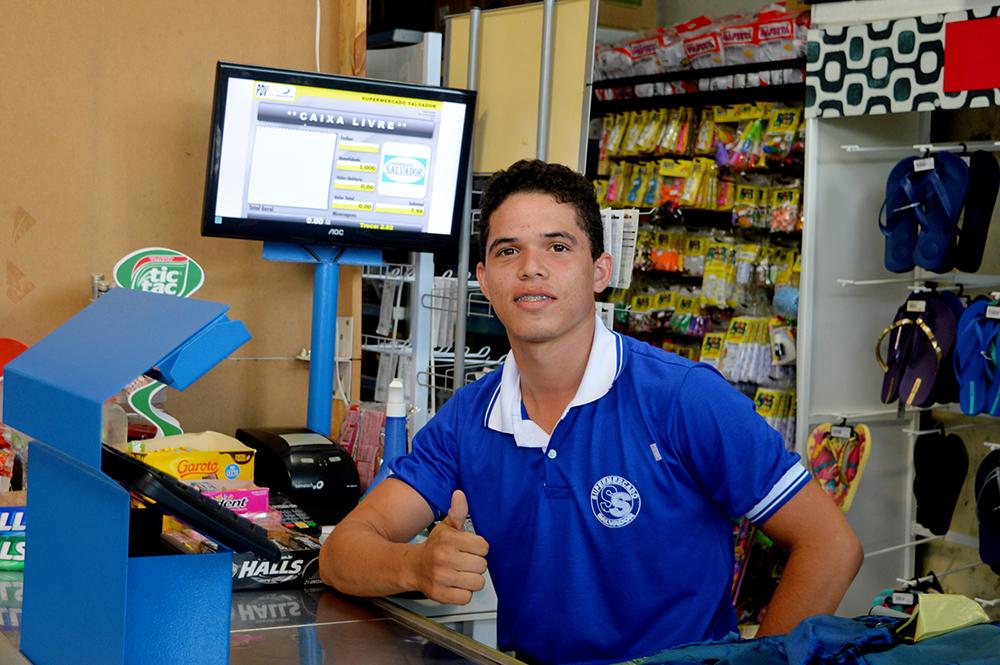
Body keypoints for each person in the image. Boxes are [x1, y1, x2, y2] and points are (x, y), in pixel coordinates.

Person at [320, 159, 863, 665]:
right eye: (508, 251)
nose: (531, 268)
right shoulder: (470, 418)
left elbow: (830, 545)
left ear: (600, 270)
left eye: (558, 247)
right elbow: (343, 552)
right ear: (484, 280)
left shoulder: (682, 398)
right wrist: (414, 565)